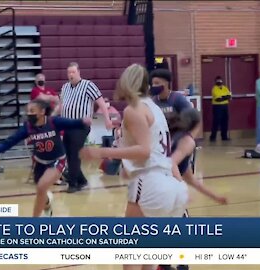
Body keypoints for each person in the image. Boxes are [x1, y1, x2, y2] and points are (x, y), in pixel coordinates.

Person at [80, 64, 189, 270]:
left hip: (149, 182)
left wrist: (101, 152)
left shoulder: (133, 109)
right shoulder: (154, 107)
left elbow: (144, 151)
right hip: (167, 182)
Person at [0, 99, 91, 217]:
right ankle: (47, 205)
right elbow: (8, 142)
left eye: (32, 111)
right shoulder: (27, 128)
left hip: (57, 160)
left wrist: (83, 121)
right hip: (39, 163)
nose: (29, 114)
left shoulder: (53, 122)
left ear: (42, 112)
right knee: (41, 191)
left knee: (41, 186)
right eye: (28, 111)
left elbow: (72, 123)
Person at [159, 108, 227, 270]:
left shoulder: (178, 137)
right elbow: (171, 163)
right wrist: (180, 189)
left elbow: (190, 177)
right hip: (167, 190)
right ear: (198, 123)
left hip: (159, 190)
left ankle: (166, 264)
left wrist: (215, 196)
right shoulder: (188, 141)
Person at [59, 62, 112, 193]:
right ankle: (81, 181)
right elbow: (62, 106)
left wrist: (107, 119)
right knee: (68, 153)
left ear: (78, 72)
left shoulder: (88, 85)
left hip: (81, 125)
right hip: (67, 124)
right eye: (69, 72)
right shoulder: (65, 87)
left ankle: (72, 184)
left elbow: (101, 102)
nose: (70, 75)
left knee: (74, 153)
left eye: (73, 72)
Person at [210, 76, 231, 141]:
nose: (219, 82)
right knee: (216, 122)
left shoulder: (225, 88)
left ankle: (224, 136)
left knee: (225, 121)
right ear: (215, 81)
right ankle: (213, 137)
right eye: (218, 80)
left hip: (225, 106)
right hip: (217, 107)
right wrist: (225, 97)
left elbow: (229, 96)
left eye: (220, 80)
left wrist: (223, 97)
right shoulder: (214, 89)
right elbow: (218, 99)